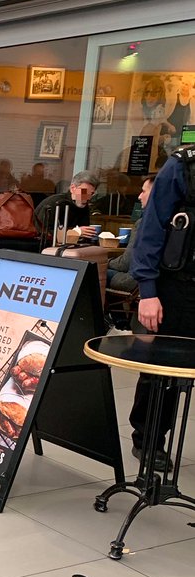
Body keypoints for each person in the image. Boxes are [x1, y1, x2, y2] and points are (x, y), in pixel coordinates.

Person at [128, 153, 195, 468]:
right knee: (162, 369)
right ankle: (149, 441)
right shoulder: (183, 166)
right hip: (178, 285)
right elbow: (152, 227)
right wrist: (148, 291)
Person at [34, 170, 102, 239]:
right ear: (72, 188)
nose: (88, 197)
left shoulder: (83, 206)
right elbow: (42, 232)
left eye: (91, 193)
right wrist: (75, 232)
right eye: (84, 192)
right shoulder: (54, 203)